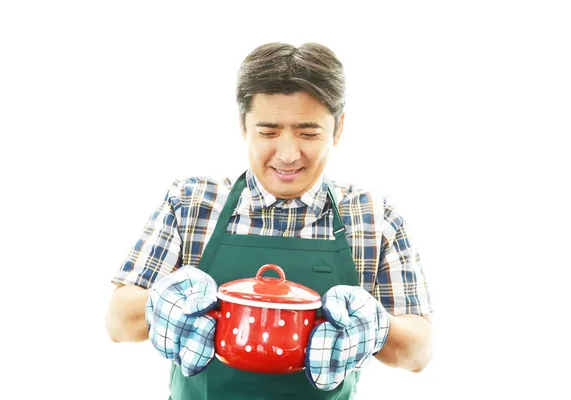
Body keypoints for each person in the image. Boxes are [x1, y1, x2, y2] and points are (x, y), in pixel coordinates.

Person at [105, 42, 434, 399]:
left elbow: (419, 353)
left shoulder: (374, 218)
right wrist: (159, 304)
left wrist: (378, 327)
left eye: (309, 133)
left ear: (338, 129)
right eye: (268, 132)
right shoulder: (191, 203)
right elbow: (118, 322)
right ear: (243, 126)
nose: (289, 155)